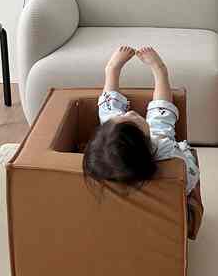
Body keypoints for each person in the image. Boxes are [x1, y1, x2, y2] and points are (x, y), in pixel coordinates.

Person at [83, 45, 200, 195]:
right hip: (167, 154)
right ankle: (160, 73)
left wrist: (112, 68)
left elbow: (109, 112)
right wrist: (160, 69)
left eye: (122, 116)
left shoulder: (103, 162)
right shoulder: (164, 149)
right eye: (133, 120)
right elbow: (161, 110)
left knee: (108, 114)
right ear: (146, 143)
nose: (130, 113)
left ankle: (111, 71)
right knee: (160, 121)